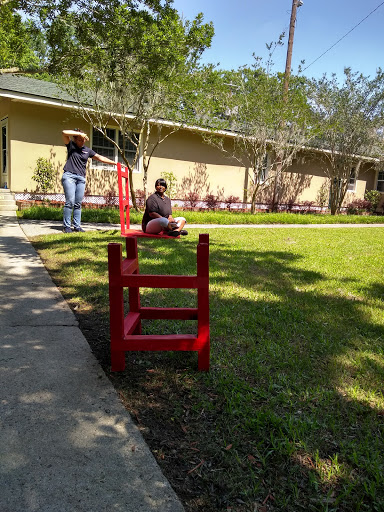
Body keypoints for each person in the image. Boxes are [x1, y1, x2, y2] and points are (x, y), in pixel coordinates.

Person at [61, 128, 117, 233]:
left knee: (78, 203)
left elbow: (100, 158)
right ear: (75, 139)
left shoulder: (87, 150)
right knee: (70, 202)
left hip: (81, 178)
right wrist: (80, 133)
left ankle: (77, 227)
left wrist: (115, 164)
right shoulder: (71, 146)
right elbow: (64, 133)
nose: (82, 142)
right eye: (80, 140)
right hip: (69, 176)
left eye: (83, 140)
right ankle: (67, 227)